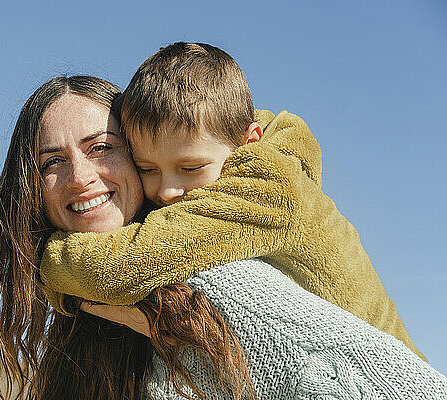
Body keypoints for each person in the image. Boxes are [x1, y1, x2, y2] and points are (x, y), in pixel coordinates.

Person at [38, 42, 425, 360]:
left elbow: (124, 264)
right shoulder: (226, 158)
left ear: (248, 142)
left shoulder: (267, 188)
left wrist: (48, 258)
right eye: (149, 169)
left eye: (190, 169)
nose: (169, 191)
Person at [0, 75, 253, 400]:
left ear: (140, 151)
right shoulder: (76, 315)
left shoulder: (224, 277)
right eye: (53, 162)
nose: (79, 178)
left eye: (100, 148)